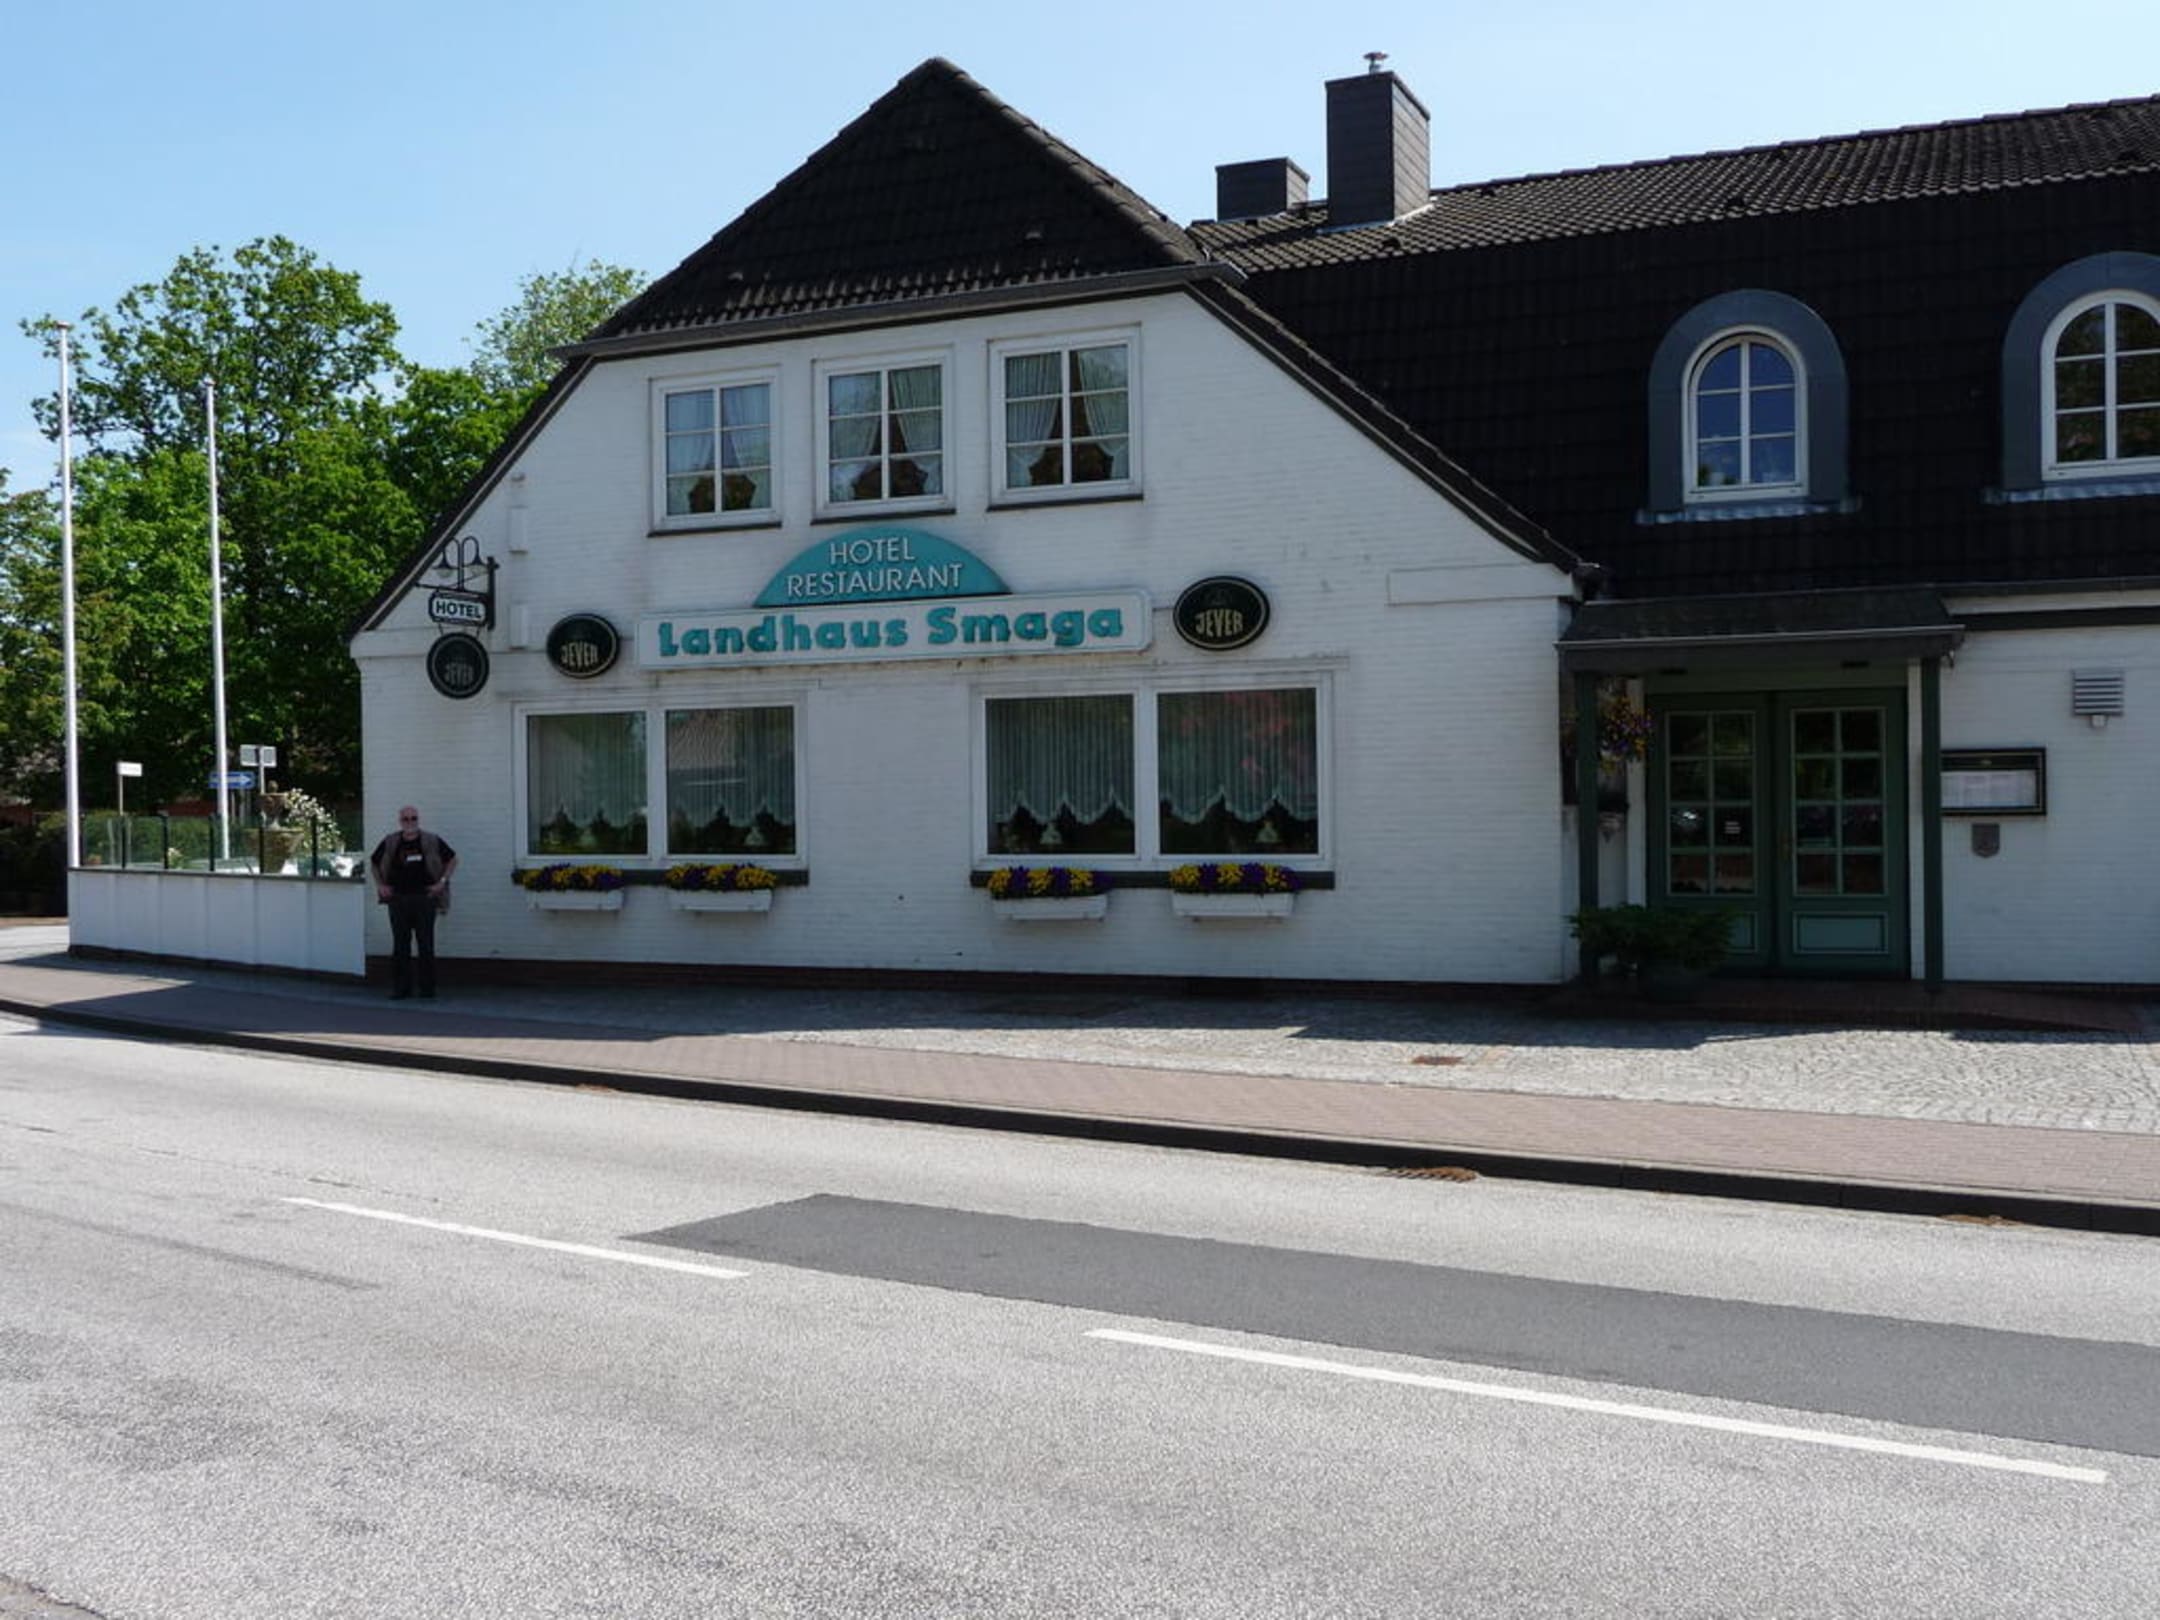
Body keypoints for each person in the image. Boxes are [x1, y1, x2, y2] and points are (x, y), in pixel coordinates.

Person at [370, 806, 457, 1000]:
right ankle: (402, 989)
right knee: (400, 945)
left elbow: (452, 859)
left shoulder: (431, 840)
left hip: (425, 898)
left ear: (418, 819)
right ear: (400, 821)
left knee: (426, 944)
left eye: (413, 818)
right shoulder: (391, 841)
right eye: (406, 819)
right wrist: (381, 885)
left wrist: (441, 882)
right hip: (398, 899)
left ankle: (427, 990)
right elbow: (374, 862)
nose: (410, 822)